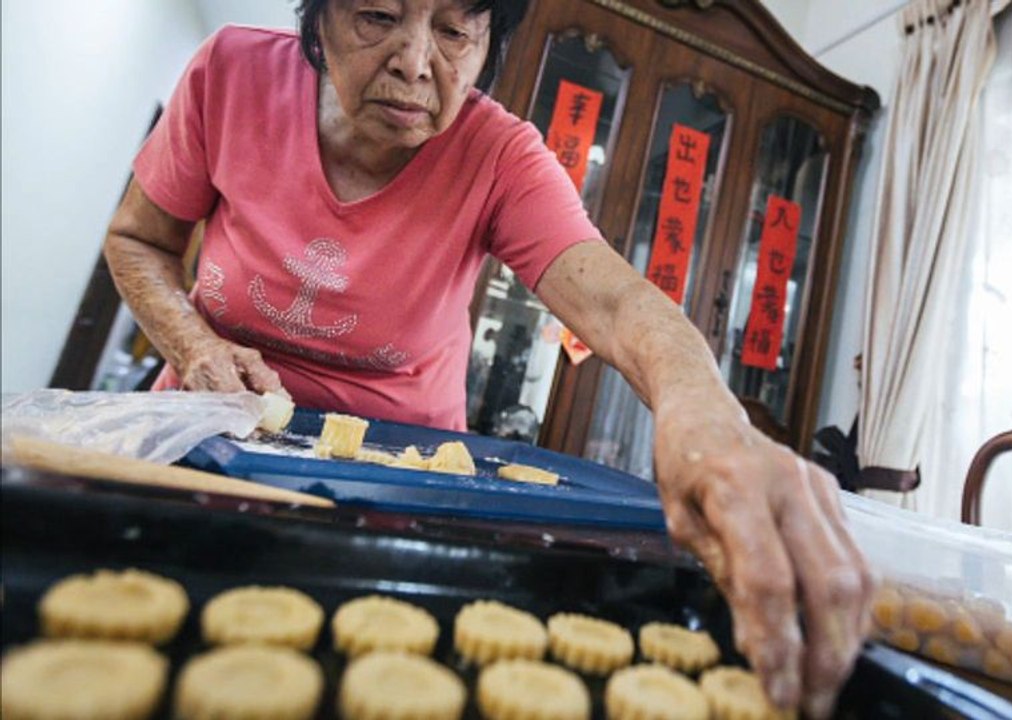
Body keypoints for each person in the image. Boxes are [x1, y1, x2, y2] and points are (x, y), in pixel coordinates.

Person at [102, 1, 872, 714]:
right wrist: (195, 345)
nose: (414, 62)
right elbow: (137, 238)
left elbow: (615, 302)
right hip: (208, 443)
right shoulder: (232, 73)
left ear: (489, 43)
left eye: (453, 30)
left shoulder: (499, 154)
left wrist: (709, 419)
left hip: (399, 489)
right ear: (319, 17)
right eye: (377, 16)